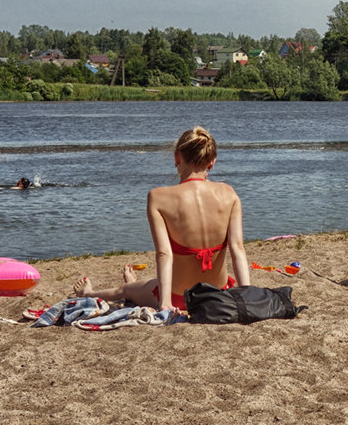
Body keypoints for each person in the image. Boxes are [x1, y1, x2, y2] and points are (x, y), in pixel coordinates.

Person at [73, 127, 250, 312]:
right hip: (219, 294)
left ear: (177, 157)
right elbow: (237, 248)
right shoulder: (230, 194)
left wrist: (165, 303)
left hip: (180, 298)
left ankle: (88, 293)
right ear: (212, 162)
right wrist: (248, 294)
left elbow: (164, 254)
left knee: (124, 289)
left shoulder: (158, 197)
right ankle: (136, 285)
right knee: (141, 286)